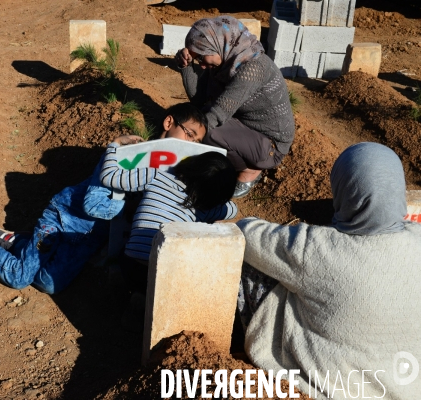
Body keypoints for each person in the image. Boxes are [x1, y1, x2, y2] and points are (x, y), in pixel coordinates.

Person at [236, 142, 421, 398]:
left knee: (250, 268)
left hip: (337, 388)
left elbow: (247, 232)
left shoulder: (314, 247)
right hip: (408, 388)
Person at [0, 154, 125, 294]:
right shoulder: (124, 155)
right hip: (61, 220)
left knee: (49, 284)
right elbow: (93, 205)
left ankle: (19, 242)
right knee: (18, 277)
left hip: (85, 239)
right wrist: (128, 207)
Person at [175, 16, 295, 198]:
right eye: (196, 57)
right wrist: (186, 66)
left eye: (201, 55)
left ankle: (249, 170)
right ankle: (231, 157)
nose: (200, 63)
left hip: (270, 145)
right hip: (246, 128)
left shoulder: (253, 68)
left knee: (209, 131)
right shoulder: (223, 64)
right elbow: (198, 100)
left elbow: (218, 114)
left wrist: (184, 141)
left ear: (218, 45)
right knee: (200, 117)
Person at [100, 135, 238, 293]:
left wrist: (115, 144)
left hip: (131, 266)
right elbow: (233, 209)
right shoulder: (206, 207)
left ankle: (132, 293)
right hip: (167, 278)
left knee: (129, 258)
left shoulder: (158, 176)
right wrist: (216, 198)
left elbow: (109, 177)